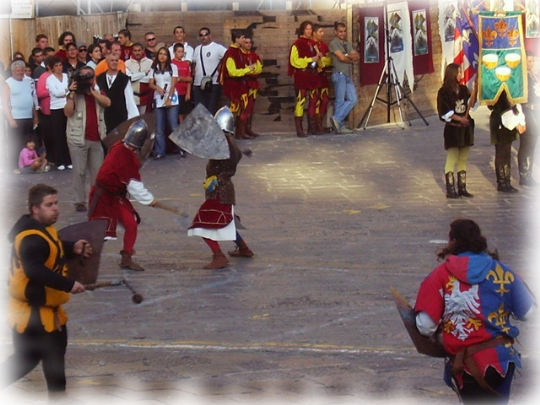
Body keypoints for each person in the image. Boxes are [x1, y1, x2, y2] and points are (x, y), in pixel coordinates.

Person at [415, 218, 536, 405]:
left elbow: (425, 326)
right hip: (501, 357)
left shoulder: (439, 275)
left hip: (467, 365)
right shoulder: (503, 271)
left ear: (453, 241)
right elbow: (527, 313)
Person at [0, 183, 89, 405]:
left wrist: (72, 247)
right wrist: (69, 284)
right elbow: (36, 270)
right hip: (31, 311)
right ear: (35, 209)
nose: (56, 208)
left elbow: (52, 246)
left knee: (55, 350)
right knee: (24, 360)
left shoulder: (43, 229)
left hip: (49, 308)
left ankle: (58, 397)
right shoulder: (30, 237)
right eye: (49, 205)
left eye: (56, 203)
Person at [188, 106, 254, 269]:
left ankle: (219, 256)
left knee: (202, 223)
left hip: (219, 190)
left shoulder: (222, 144)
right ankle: (244, 248)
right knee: (226, 221)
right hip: (224, 189)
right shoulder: (229, 142)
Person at [88, 120, 158, 271]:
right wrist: (149, 200)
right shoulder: (123, 154)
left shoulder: (120, 146)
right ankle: (81, 256)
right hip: (103, 197)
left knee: (131, 224)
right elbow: (133, 184)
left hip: (116, 196)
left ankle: (126, 257)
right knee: (100, 233)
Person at [65, 66, 111, 212]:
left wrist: (93, 92)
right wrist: (72, 93)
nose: (86, 80)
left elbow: (108, 102)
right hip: (78, 138)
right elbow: (67, 112)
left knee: (98, 173)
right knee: (79, 171)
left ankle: (96, 200)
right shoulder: (74, 93)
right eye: (83, 77)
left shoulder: (97, 91)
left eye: (89, 77)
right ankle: (79, 201)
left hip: (96, 138)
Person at [437, 63, 476, 198]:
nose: (461, 75)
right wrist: (460, 119)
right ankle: (450, 189)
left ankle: (462, 187)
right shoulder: (444, 92)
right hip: (453, 129)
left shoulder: (464, 89)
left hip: (466, 130)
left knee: (463, 158)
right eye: (459, 72)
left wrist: (475, 91)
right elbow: (444, 112)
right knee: (452, 157)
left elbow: (471, 103)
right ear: (452, 74)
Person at [1, 60, 39, 174]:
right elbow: (5, 103)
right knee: (15, 143)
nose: (20, 72)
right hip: (16, 117)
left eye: (22, 70)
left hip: (28, 117)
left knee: (28, 143)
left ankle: (29, 165)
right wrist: (10, 119)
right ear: (13, 71)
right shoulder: (8, 83)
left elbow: (31, 100)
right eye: (18, 70)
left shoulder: (28, 82)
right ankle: (14, 166)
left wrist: (35, 116)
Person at [221, 29, 255, 139]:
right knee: (234, 109)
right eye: (242, 38)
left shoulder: (237, 51)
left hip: (240, 85)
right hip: (234, 86)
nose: (244, 40)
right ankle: (228, 134)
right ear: (236, 39)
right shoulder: (231, 52)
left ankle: (240, 133)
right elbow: (232, 72)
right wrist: (247, 70)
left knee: (242, 108)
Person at [288, 20, 320, 137]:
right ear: (302, 30)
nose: (309, 31)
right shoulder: (297, 44)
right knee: (301, 100)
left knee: (313, 100)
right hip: (302, 75)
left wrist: (318, 59)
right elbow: (294, 61)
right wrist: (310, 60)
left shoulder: (313, 43)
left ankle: (312, 128)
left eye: (311, 29)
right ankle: (299, 129)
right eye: (307, 29)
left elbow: (318, 59)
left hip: (312, 74)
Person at [490, 90, 525, 192]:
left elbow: (515, 105)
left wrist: (520, 120)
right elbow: (503, 108)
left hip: (510, 121)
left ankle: (506, 180)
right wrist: (516, 124)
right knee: (502, 152)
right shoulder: (499, 90)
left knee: (507, 152)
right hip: (500, 121)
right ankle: (502, 182)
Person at [96, 52, 139, 134]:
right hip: (105, 116)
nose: (114, 62)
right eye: (112, 60)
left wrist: (133, 118)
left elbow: (129, 99)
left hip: (120, 116)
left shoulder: (124, 79)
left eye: (116, 60)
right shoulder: (100, 78)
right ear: (107, 62)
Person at [149, 46, 179, 159]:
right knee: (159, 127)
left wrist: (169, 99)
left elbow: (173, 84)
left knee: (173, 125)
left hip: (171, 98)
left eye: (164, 54)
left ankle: (181, 148)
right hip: (158, 98)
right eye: (160, 54)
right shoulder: (154, 68)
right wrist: (157, 88)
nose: (162, 56)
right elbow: (151, 83)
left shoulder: (173, 67)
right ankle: (160, 151)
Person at [329, 22, 359, 134]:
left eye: (344, 31)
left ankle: (336, 118)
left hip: (347, 75)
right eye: (340, 31)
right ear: (335, 32)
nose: (343, 33)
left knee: (353, 99)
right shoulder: (333, 43)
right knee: (340, 100)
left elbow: (357, 56)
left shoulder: (347, 44)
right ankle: (340, 126)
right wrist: (348, 57)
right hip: (339, 74)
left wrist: (347, 56)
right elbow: (341, 58)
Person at [192, 27, 227, 115]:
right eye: (201, 35)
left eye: (205, 34)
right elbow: (194, 63)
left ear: (210, 35)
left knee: (211, 109)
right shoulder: (197, 49)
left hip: (213, 83)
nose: (203, 37)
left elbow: (229, 57)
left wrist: (221, 67)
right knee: (199, 110)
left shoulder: (218, 48)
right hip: (198, 83)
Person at [46, 56, 72, 171]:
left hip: (67, 106)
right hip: (56, 108)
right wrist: (67, 89)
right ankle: (59, 160)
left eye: (60, 65)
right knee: (58, 135)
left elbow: (72, 90)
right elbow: (56, 93)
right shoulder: (49, 79)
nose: (59, 68)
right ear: (52, 68)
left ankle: (68, 160)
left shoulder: (67, 76)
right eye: (56, 66)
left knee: (68, 134)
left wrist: (67, 90)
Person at [518, 50, 540, 187]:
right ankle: (524, 175)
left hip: (536, 115)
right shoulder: (521, 77)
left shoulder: (532, 76)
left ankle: (529, 173)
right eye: (529, 61)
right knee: (526, 145)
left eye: (533, 61)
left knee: (532, 146)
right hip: (527, 113)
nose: (531, 64)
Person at [241, 35, 263, 138]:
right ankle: (241, 131)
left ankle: (248, 129)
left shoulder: (254, 56)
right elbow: (242, 70)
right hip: (244, 84)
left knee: (250, 108)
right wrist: (249, 70)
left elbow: (259, 69)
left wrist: (251, 70)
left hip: (253, 84)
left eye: (250, 42)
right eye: (246, 42)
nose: (248, 44)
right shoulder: (240, 56)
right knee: (244, 108)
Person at [312, 24, 332, 134]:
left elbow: (329, 60)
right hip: (313, 76)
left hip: (323, 76)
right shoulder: (310, 44)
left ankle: (319, 122)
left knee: (324, 99)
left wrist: (322, 60)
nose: (322, 34)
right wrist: (317, 63)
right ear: (314, 33)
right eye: (320, 31)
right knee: (315, 101)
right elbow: (309, 61)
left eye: (322, 31)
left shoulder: (323, 45)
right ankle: (315, 126)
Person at [125, 42, 153, 115]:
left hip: (146, 97)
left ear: (143, 50)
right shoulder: (126, 63)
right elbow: (129, 78)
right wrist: (143, 74)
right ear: (132, 51)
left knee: (145, 120)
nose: (137, 53)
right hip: (133, 97)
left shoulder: (150, 63)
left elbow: (149, 79)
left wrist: (135, 76)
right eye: (135, 50)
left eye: (139, 50)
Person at [171, 43, 193, 123]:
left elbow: (190, 80)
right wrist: (184, 79)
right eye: (179, 52)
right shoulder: (171, 63)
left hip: (184, 93)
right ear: (174, 52)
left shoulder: (185, 64)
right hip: (175, 93)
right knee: (177, 113)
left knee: (184, 113)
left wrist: (188, 93)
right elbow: (176, 78)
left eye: (182, 52)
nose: (180, 54)